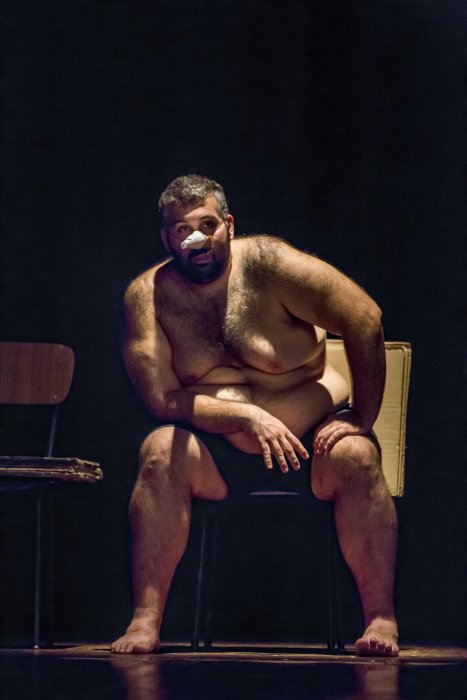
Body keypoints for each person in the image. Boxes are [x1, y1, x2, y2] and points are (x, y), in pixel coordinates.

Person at [111, 174, 398, 657]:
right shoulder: (149, 295)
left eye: (207, 225)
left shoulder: (268, 263)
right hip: (217, 454)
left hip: (310, 446)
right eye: (182, 230)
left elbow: (364, 317)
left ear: (228, 224)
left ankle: (381, 619)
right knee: (159, 450)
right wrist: (245, 417)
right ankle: (144, 620)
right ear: (167, 239)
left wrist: (362, 416)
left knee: (356, 454)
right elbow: (161, 400)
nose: (197, 238)